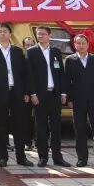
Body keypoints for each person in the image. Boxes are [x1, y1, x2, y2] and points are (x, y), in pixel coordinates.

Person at [0, 23, 29, 167]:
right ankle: (3, 157)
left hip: (17, 92)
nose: (2, 33)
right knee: (1, 125)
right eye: (0, 31)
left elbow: (23, 73)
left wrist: (26, 92)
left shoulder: (17, 51)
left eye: (5, 31)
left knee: (19, 125)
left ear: (10, 34)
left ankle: (21, 157)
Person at [25, 25, 68, 167]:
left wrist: (63, 92)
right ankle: (43, 157)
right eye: (38, 34)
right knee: (41, 127)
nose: (40, 36)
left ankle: (57, 157)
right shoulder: (31, 52)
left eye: (43, 34)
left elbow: (61, 73)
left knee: (56, 127)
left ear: (49, 36)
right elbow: (29, 75)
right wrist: (32, 93)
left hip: (55, 94)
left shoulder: (56, 52)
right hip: (40, 96)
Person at [65, 34, 94, 168]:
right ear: (74, 45)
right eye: (78, 43)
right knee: (80, 130)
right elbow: (67, 82)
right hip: (78, 101)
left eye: (83, 43)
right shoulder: (70, 60)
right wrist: (69, 99)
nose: (81, 45)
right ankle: (82, 159)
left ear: (88, 44)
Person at [21, 36, 36, 155]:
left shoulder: (38, 57)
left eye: (31, 45)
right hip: (26, 94)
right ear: (23, 46)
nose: (29, 47)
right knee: (26, 119)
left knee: (39, 119)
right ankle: (27, 142)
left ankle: (39, 141)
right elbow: (22, 78)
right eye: (27, 45)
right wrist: (26, 93)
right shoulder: (21, 59)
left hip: (38, 93)